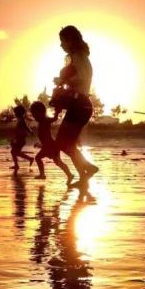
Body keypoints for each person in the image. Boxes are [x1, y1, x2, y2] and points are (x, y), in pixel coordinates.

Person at [52, 25, 98, 186]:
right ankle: (84, 175)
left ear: (70, 40)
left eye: (62, 41)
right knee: (67, 143)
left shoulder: (78, 56)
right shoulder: (80, 56)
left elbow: (82, 78)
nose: (61, 45)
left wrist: (62, 81)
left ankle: (88, 168)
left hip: (80, 104)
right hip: (80, 105)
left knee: (63, 143)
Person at [29, 101, 74, 184]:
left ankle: (69, 174)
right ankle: (69, 174)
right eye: (33, 115)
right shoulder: (41, 121)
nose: (34, 117)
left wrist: (57, 111)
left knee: (57, 162)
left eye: (35, 115)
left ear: (40, 113)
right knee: (56, 162)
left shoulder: (45, 120)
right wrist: (40, 144)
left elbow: (54, 119)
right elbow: (44, 137)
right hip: (48, 146)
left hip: (51, 146)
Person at [10, 104, 33, 172]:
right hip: (19, 139)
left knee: (14, 152)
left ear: (18, 113)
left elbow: (26, 127)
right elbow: (21, 129)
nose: (15, 114)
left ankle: (29, 159)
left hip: (20, 139)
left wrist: (30, 131)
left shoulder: (21, 120)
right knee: (15, 152)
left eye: (15, 112)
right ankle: (18, 164)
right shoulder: (20, 120)